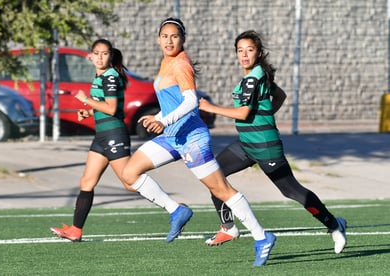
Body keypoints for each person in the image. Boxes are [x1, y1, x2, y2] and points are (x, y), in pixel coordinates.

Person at [120, 18, 276, 266]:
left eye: (174, 36)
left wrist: (164, 120)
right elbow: (173, 101)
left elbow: (191, 101)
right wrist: (159, 117)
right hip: (172, 135)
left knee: (221, 190)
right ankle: (177, 210)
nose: (169, 40)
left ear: (183, 39)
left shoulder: (181, 64)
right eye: (165, 36)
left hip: (191, 137)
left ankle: (262, 236)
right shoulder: (166, 61)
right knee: (129, 173)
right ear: (159, 38)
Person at [198, 30, 347, 254]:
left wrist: (210, 108)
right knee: (214, 175)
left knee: (292, 191)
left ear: (258, 52)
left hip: (265, 147)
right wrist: (265, 116)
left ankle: (335, 225)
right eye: (240, 51)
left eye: (249, 50)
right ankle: (228, 227)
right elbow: (280, 96)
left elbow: (243, 113)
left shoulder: (253, 78)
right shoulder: (260, 74)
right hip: (246, 144)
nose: (244, 55)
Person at [50, 39, 132, 242]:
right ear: (90, 56)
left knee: (130, 182)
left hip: (113, 134)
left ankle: (175, 209)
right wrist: (89, 111)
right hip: (102, 136)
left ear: (110, 56)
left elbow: (112, 109)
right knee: (87, 181)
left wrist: (85, 100)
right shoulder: (100, 75)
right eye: (96, 53)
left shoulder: (110, 77)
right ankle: (76, 230)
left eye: (104, 53)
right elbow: (106, 105)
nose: (100, 57)